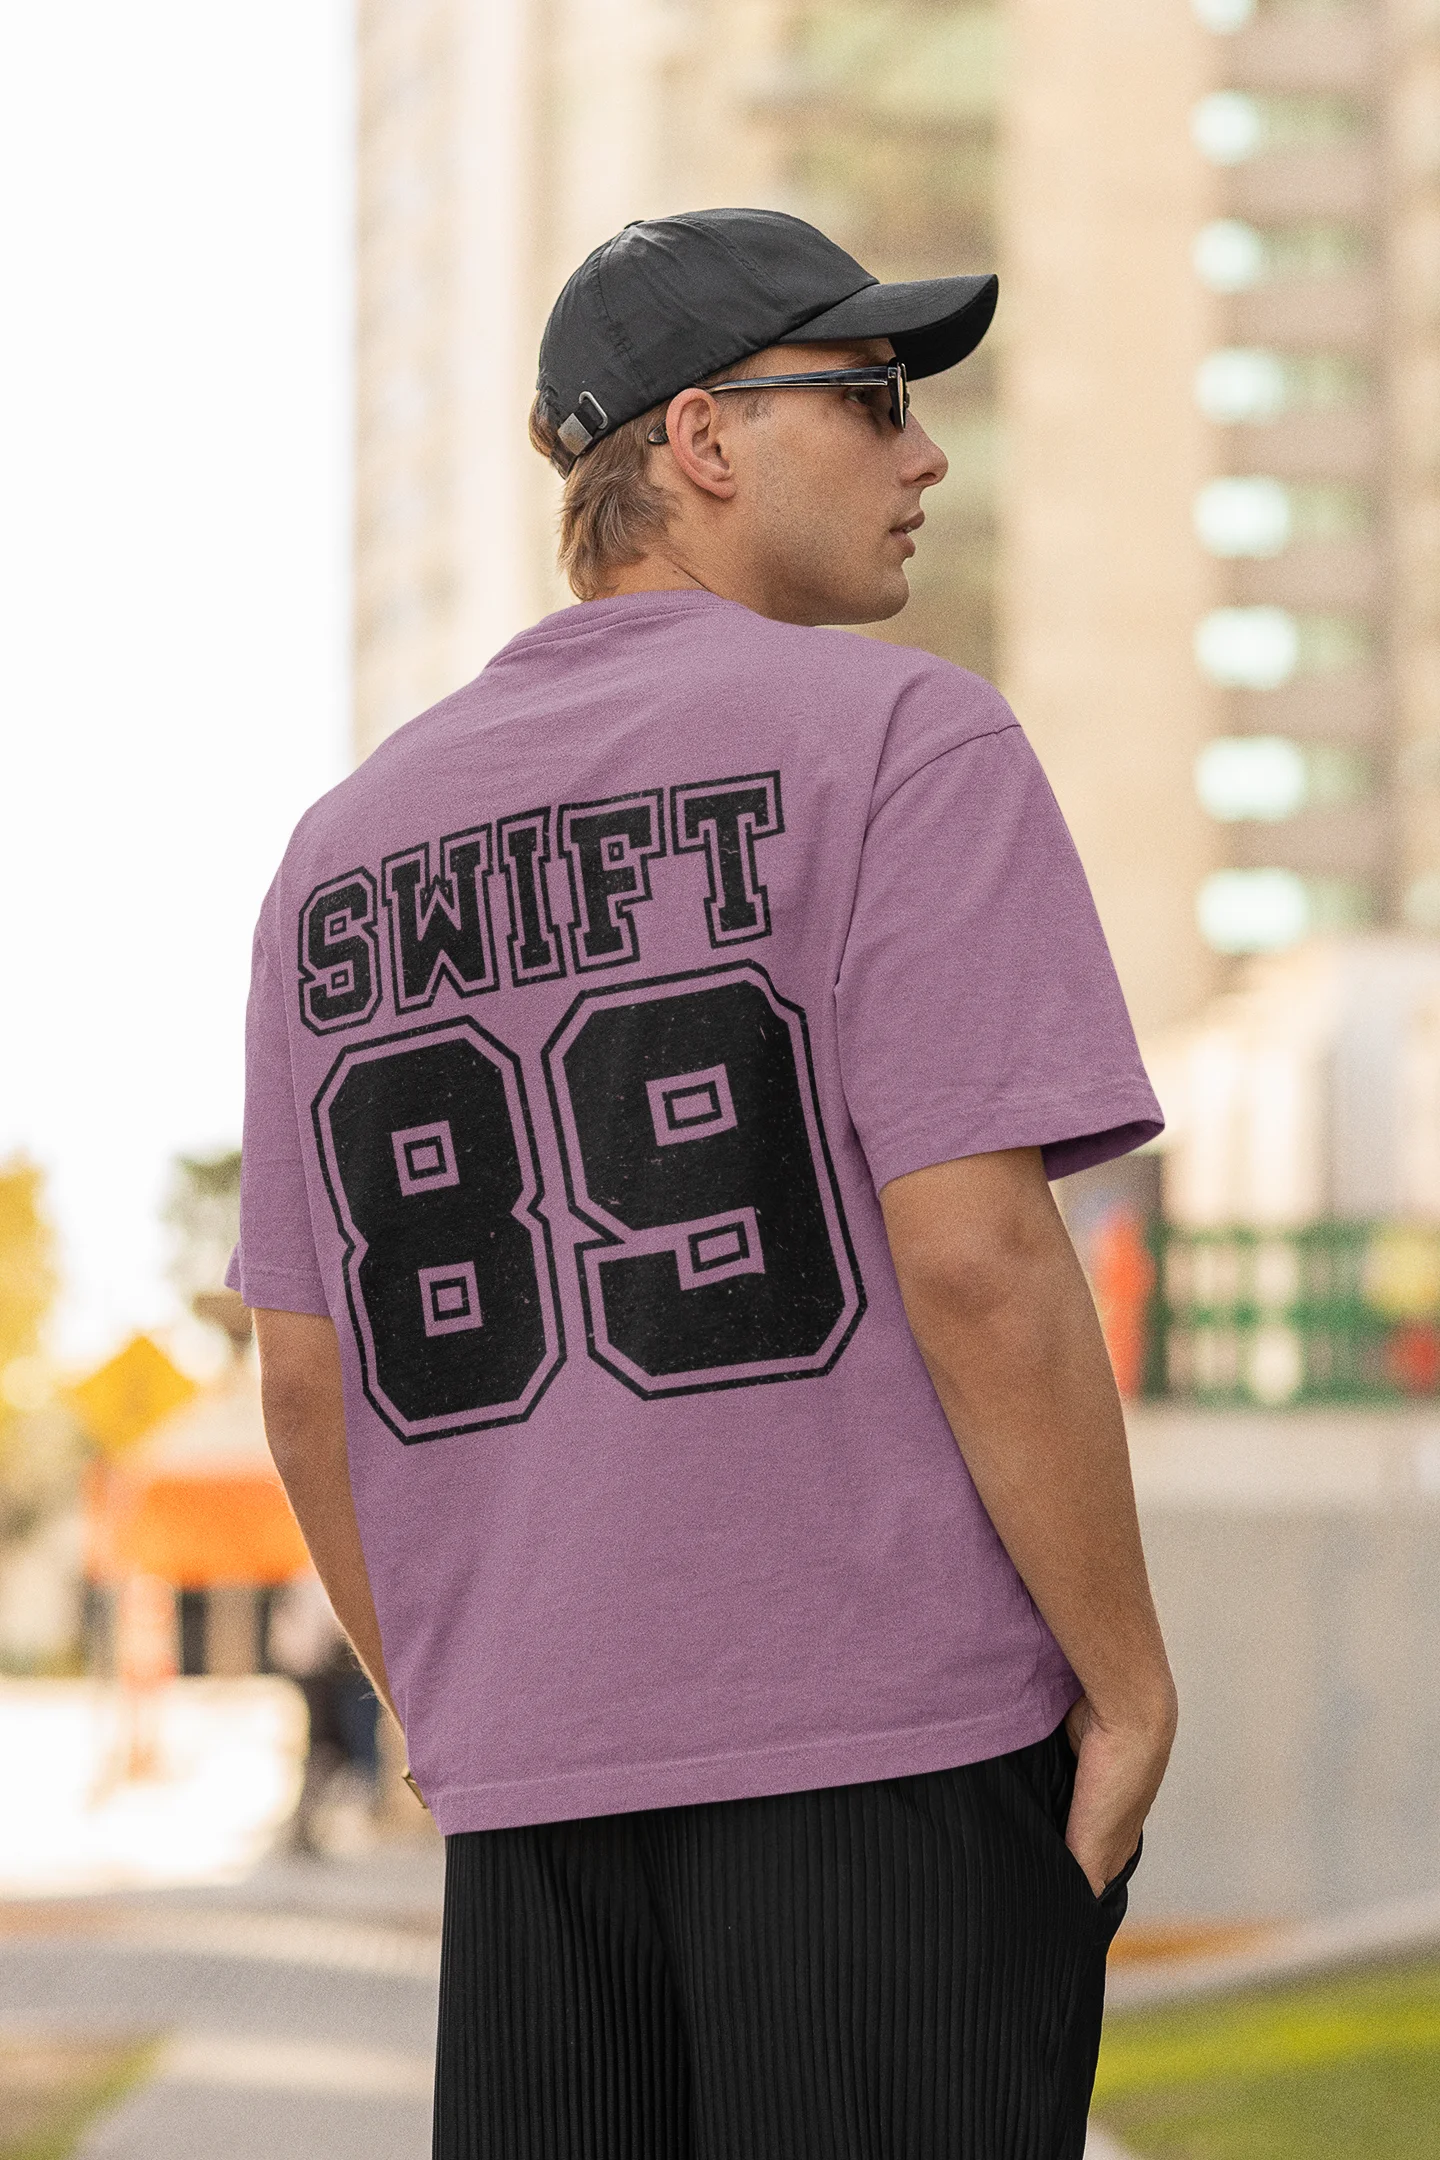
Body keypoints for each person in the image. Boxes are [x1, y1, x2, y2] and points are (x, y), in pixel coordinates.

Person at [230, 207, 1176, 2158]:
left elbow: (309, 1378)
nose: (923, 456)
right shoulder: (905, 741)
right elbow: (984, 1261)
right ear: (704, 442)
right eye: (874, 397)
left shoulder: (339, 855)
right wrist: (1131, 1683)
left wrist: (450, 1714)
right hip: (886, 1758)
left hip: (538, 1806)